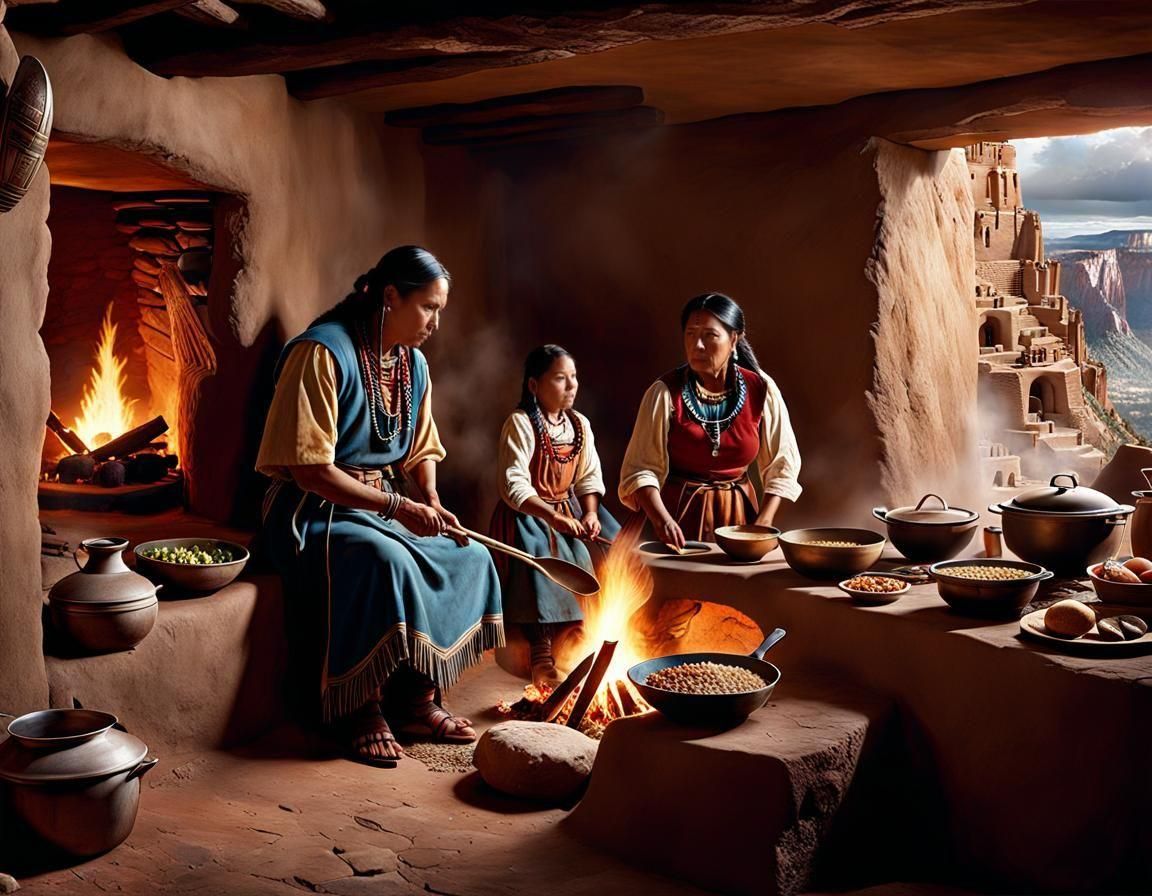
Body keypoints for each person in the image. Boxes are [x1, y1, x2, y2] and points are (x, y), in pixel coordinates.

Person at [256, 246, 503, 768]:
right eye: (428, 307)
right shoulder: (322, 353)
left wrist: (430, 499)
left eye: (440, 309)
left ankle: (415, 700)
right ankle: (359, 709)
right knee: (382, 560)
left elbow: (421, 447)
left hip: (382, 504)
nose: (435, 322)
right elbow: (309, 469)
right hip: (312, 509)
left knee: (471, 556)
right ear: (390, 296)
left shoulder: (412, 364)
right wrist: (398, 507)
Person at [619, 292, 802, 549]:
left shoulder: (761, 389)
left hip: (739, 520)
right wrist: (662, 521)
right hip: (673, 518)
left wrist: (762, 523)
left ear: (734, 339)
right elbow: (640, 469)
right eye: (690, 334)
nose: (698, 346)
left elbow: (782, 465)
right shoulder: (664, 392)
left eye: (709, 335)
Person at [489, 345, 620, 687]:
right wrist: (551, 517)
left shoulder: (579, 425)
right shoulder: (520, 424)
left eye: (573, 377)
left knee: (615, 548)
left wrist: (590, 513)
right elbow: (513, 484)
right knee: (544, 562)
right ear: (534, 386)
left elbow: (590, 477)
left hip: (571, 509)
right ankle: (541, 649)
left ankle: (583, 637)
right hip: (530, 513)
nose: (571, 385)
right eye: (560, 378)